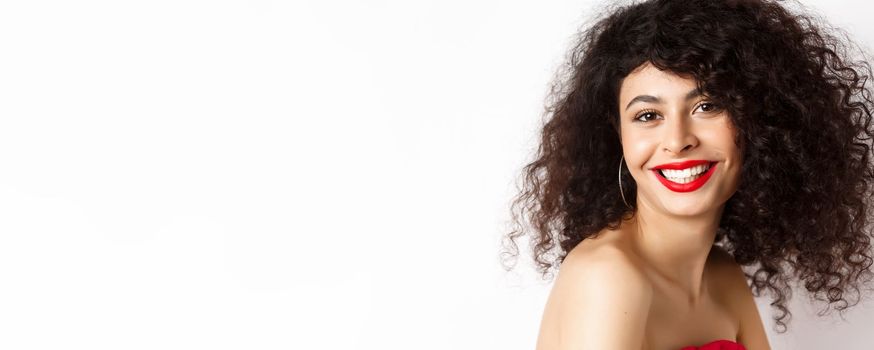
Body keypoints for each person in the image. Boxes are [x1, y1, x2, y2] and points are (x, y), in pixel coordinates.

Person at [500, 0, 874, 349]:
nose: (677, 141)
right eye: (648, 116)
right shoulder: (609, 277)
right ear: (618, 136)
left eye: (707, 106)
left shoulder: (723, 276)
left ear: (760, 123)